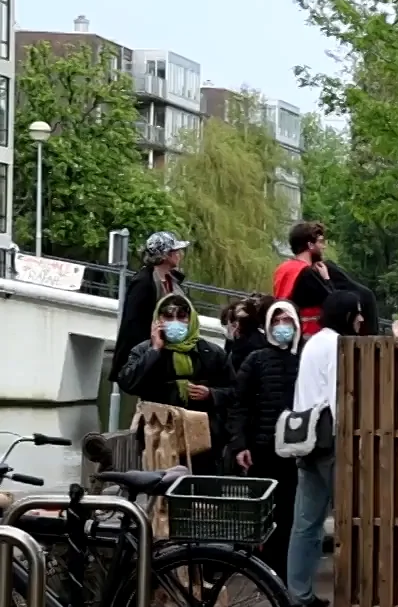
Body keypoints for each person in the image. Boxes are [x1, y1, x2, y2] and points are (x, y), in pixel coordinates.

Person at [286, 290, 362, 607]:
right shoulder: (337, 345)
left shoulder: (312, 342)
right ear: (345, 315)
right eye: (356, 313)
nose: (360, 318)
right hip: (330, 440)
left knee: (306, 522)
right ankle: (359, 591)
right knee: (352, 513)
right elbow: (337, 394)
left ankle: (298, 591)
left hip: (305, 440)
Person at [219, 301, 301, 579]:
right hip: (261, 448)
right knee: (261, 512)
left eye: (286, 321)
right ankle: (260, 569)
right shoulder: (256, 360)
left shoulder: (304, 359)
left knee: (288, 513)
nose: (281, 327)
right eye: (276, 322)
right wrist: (239, 444)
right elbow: (239, 404)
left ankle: (282, 571)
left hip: (294, 451)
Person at [116, 292, 233, 470]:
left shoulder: (212, 353)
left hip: (203, 440)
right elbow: (128, 383)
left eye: (181, 316)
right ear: (158, 320)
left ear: (191, 319)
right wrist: (154, 351)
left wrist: (211, 394)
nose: (175, 322)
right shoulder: (143, 351)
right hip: (157, 437)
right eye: (168, 317)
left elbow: (235, 392)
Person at [274, 221, 377, 339]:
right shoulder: (307, 273)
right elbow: (335, 305)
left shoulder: (282, 269)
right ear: (310, 245)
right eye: (321, 242)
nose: (324, 246)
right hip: (311, 333)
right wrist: (327, 279)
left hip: (290, 328)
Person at [114, 231, 190, 374]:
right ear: (165, 255)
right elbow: (134, 323)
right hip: (151, 351)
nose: (179, 254)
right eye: (175, 251)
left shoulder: (172, 280)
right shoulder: (143, 282)